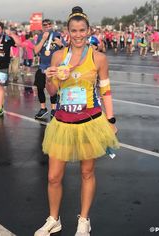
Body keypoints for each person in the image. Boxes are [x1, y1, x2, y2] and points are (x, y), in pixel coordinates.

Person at [34, 6, 120, 236]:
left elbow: (106, 91)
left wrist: (111, 120)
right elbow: (52, 92)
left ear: (89, 30)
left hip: (89, 122)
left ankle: (84, 220)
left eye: (82, 30)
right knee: (53, 176)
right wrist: (50, 77)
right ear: (68, 32)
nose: (79, 34)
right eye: (74, 30)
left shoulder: (98, 57)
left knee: (87, 173)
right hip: (62, 121)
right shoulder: (59, 56)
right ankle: (54, 219)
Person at [34, 19, 65, 120]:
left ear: (52, 25)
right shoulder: (40, 36)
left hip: (54, 67)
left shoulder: (57, 35)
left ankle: (54, 109)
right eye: (45, 25)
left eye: (49, 24)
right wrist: (43, 39)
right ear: (42, 27)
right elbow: (36, 51)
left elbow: (66, 51)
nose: (47, 26)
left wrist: (60, 44)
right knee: (39, 87)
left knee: (53, 88)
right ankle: (43, 108)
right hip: (42, 67)